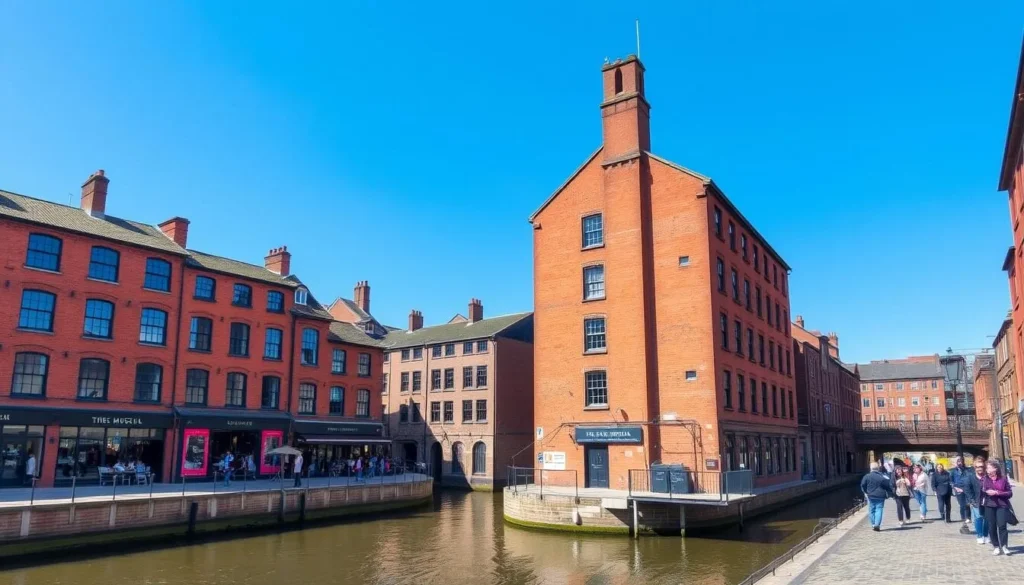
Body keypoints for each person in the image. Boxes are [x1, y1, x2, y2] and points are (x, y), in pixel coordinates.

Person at [981, 459, 1014, 555]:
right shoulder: (985, 479)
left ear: (995, 468)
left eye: (989, 467)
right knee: (992, 527)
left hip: (1002, 505)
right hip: (989, 505)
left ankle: (1004, 546)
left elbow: (1009, 493)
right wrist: (986, 492)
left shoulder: (1003, 478)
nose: (987, 469)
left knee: (1002, 525)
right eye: (987, 468)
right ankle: (996, 546)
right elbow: (983, 490)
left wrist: (997, 492)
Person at [962, 455, 989, 544]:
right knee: (978, 518)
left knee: (987, 518)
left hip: (988, 501)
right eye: (977, 467)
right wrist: (972, 501)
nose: (979, 469)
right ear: (974, 468)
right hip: (976, 501)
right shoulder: (970, 477)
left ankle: (985, 535)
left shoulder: (988, 477)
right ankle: (980, 536)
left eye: (981, 466)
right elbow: (967, 489)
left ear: (984, 467)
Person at [861, 461, 894, 531]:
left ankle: (873, 524)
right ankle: (877, 524)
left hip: (870, 495)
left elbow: (862, 485)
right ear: (878, 468)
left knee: (871, 510)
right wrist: (890, 493)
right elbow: (887, 485)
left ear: (870, 468)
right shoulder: (882, 476)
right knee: (879, 509)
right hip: (880, 496)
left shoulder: (867, 476)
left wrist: (865, 492)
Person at [950, 456, 971, 523]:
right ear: (956, 463)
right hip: (958, 488)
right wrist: (955, 488)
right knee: (962, 504)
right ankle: (963, 517)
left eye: (960, 461)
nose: (959, 463)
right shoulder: (953, 471)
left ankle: (968, 517)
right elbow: (951, 481)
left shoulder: (967, 470)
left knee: (968, 503)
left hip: (966, 488)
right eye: (958, 461)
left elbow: (970, 478)